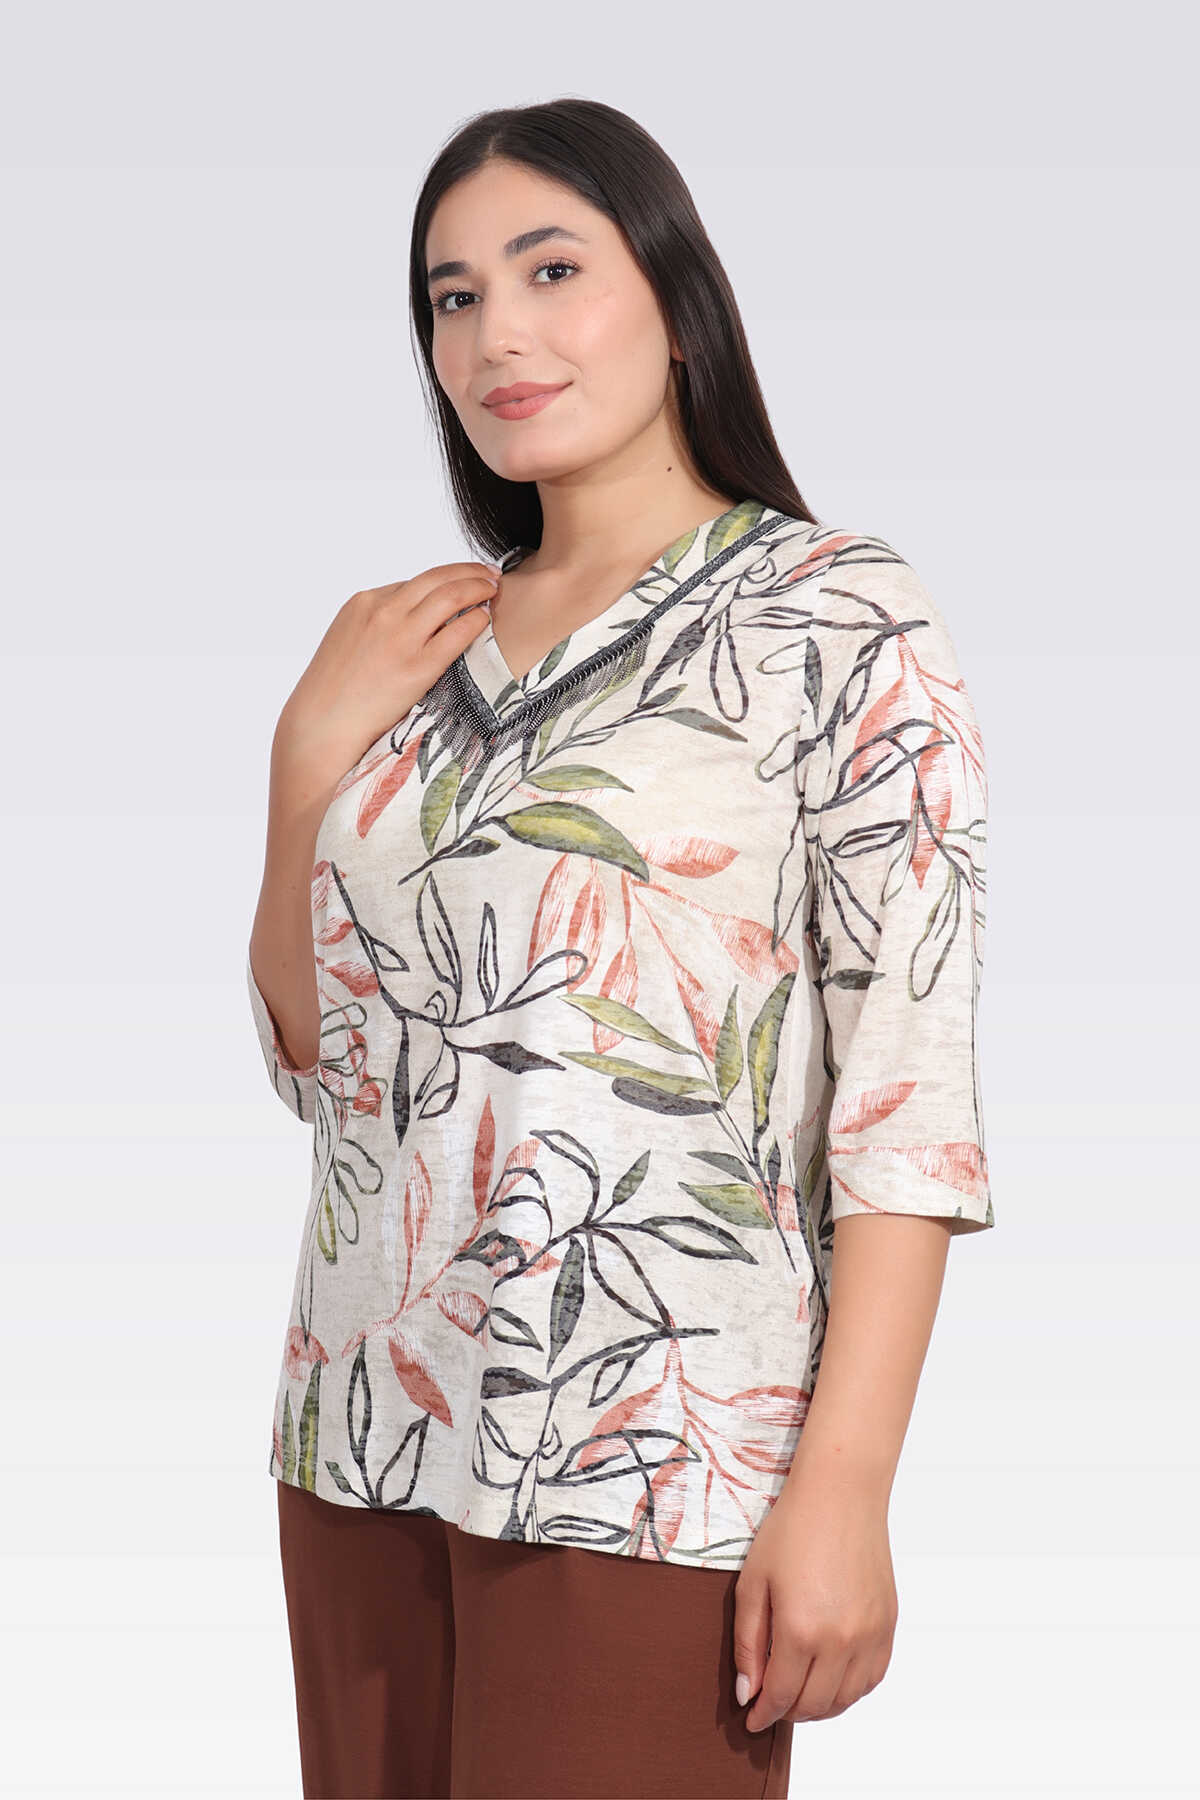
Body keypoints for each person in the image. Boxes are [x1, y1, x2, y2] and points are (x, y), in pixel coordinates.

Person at [246, 96, 994, 1800]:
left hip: (653, 1454)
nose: (495, 335)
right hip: (359, 1438)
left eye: (551, 269)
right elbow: (320, 1061)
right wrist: (301, 770)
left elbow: (905, 1098)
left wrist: (846, 1487)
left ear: (677, 295)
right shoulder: (409, 646)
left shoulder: (831, 614)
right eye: (450, 297)